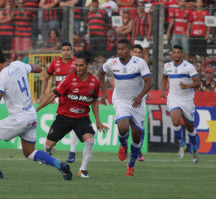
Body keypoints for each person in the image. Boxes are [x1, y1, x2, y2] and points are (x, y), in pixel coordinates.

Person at [0, 48, 72, 180]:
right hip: (31, 115)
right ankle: (60, 165)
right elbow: (38, 69)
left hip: (18, 119)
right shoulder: (18, 64)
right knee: (29, 152)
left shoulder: (0, 78)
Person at [36, 51, 109, 178]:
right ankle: (50, 149)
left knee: (90, 140)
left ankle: (82, 170)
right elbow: (52, 95)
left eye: (81, 65)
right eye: (76, 65)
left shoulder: (94, 82)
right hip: (64, 117)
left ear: (87, 65)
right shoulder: (68, 79)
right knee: (48, 147)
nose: (78, 68)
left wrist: (98, 121)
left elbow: (94, 102)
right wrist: (36, 110)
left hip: (82, 118)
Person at [99, 39, 153, 176]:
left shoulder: (139, 63)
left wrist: (140, 96)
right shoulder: (112, 63)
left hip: (137, 102)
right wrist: (104, 93)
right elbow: (100, 73)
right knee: (122, 127)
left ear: (129, 49)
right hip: (121, 101)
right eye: (118, 49)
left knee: (136, 136)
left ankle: (131, 165)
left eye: (123, 49)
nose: (120, 52)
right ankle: (123, 144)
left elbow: (149, 82)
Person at [39, 42, 78, 163]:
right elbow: (46, 78)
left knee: (73, 125)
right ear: (61, 51)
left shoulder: (77, 62)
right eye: (64, 50)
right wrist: (42, 94)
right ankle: (49, 151)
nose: (66, 52)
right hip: (61, 99)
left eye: (68, 50)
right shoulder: (55, 63)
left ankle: (72, 152)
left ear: (71, 51)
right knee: (58, 125)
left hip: (74, 98)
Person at [161, 45, 201, 163]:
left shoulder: (188, 67)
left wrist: (186, 86)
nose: (176, 54)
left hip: (187, 100)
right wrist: (163, 91)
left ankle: (194, 149)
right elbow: (164, 77)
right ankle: (181, 144)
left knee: (190, 127)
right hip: (173, 98)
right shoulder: (167, 66)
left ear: (182, 54)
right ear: (172, 54)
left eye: (179, 52)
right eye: (174, 52)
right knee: (176, 121)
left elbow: (198, 82)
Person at [187, 0, 210, 71]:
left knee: (202, 52)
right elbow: (190, 22)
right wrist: (187, 31)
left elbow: (208, 24)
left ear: (202, 4)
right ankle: (195, 66)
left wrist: (207, 33)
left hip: (202, 35)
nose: (199, 4)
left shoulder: (206, 12)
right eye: (198, 2)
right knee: (193, 52)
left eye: (200, 2)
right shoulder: (192, 12)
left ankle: (203, 66)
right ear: (196, 4)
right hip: (194, 34)